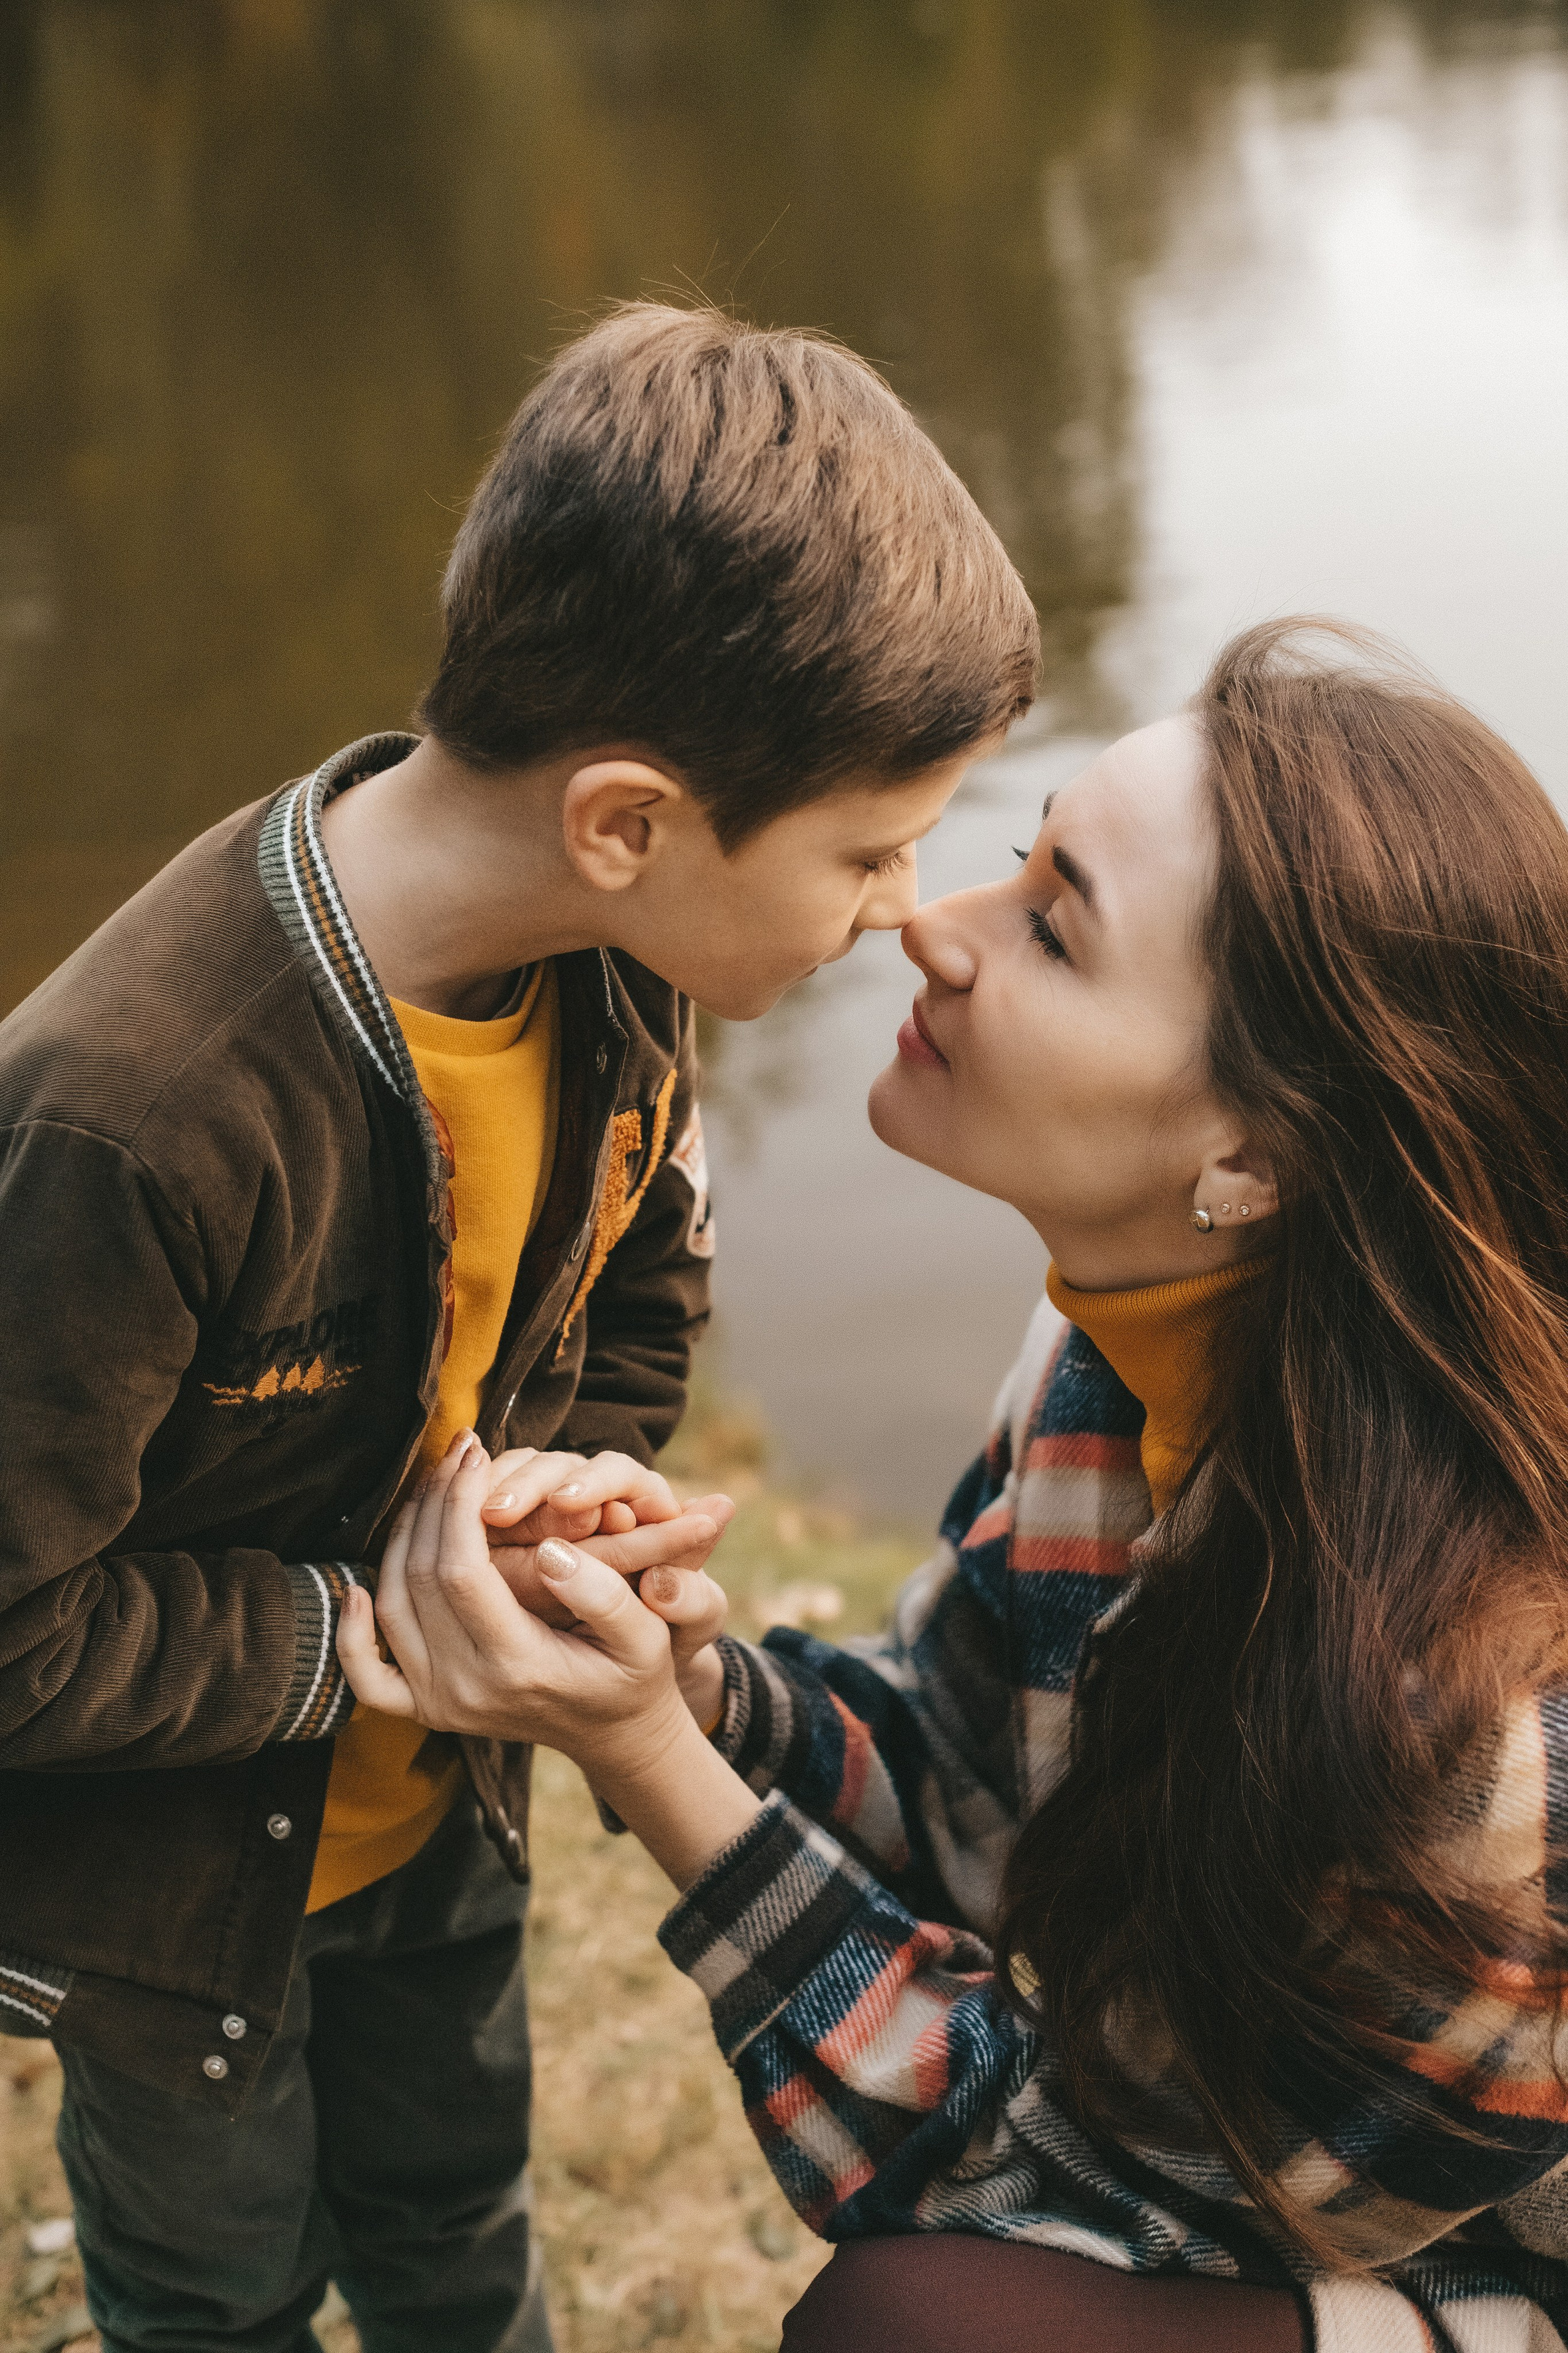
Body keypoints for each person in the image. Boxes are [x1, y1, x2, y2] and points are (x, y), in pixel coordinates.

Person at [0, 303, 1038, 2353]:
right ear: (629, 818)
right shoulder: (129, 1119)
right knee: (215, 2287)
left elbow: (643, 1274)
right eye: (864, 845)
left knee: (459, 2226)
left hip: (438, 1812)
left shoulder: (607, 962)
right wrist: (362, 1631)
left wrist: (582, 1489)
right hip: (175, 1895)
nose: (913, 907)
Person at [344, 621, 1568, 2351]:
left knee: (921, 2330)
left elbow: (1054, 2187)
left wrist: (651, 1759)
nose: (930, 922)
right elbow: (975, 1778)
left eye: (1054, 924)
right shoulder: (1124, 1344)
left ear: (1254, 1158)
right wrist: (698, 1677)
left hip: (1463, 2275)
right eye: (1019, 857)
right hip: (1239, 2188)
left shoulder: (1486, 1725)